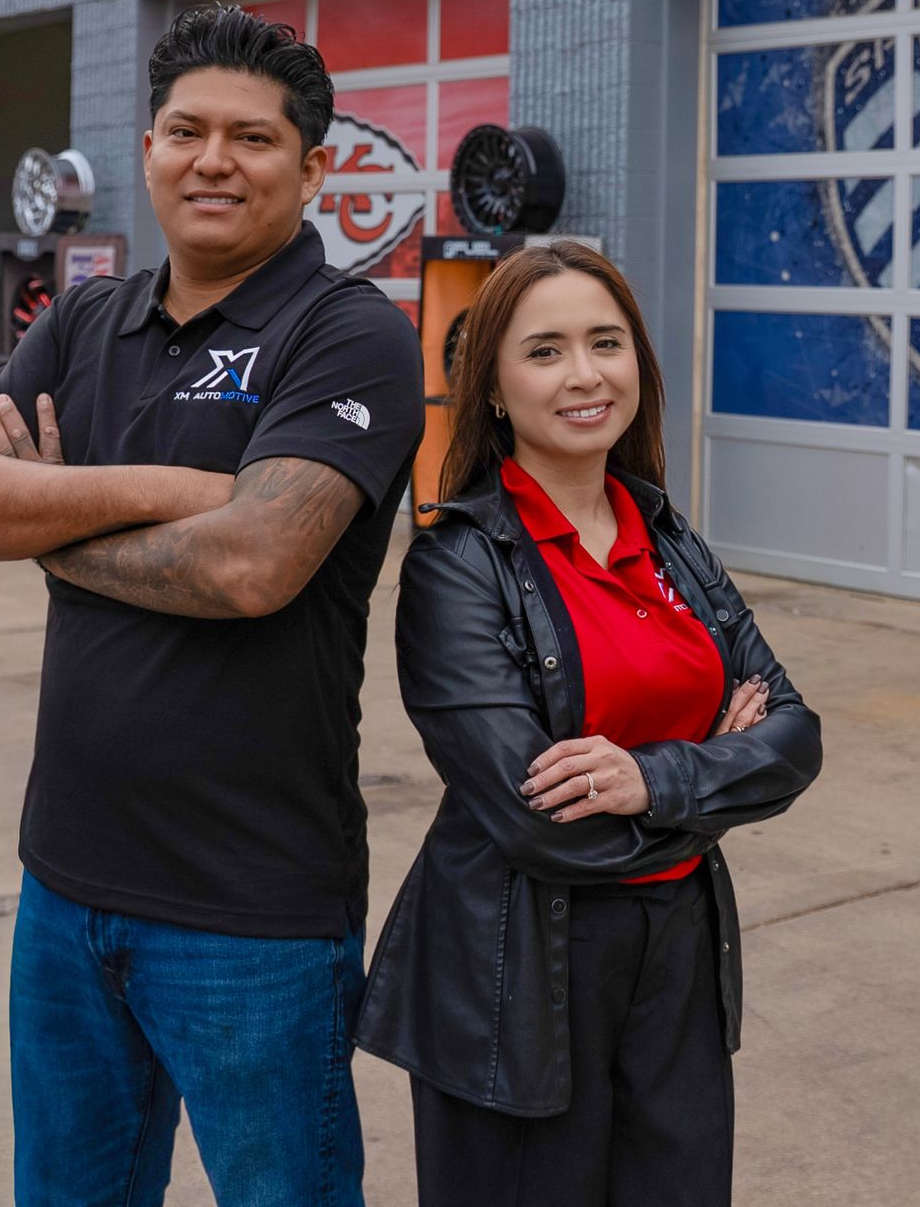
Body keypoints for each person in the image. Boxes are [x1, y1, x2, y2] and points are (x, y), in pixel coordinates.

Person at [0, 5, 424, 1207]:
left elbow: (252, 565)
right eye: (185, 131)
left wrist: (46, 518)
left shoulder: (348, 333)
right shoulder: (89, 319)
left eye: (251, 138)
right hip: (66, 885)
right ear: (147, 148)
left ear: (315, 165)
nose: (213, 160)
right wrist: (157, 494)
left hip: (249, 911)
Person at [354, 240, 823, 1205]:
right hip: (515, 968)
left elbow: (796, 734)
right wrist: (722, 760)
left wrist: (658, 777)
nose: (583, 374)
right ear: (490, 387)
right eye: (545, 350)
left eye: (605, 343)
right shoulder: (458, 566)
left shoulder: (671, 541)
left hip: (679, 954)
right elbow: (538, 817)